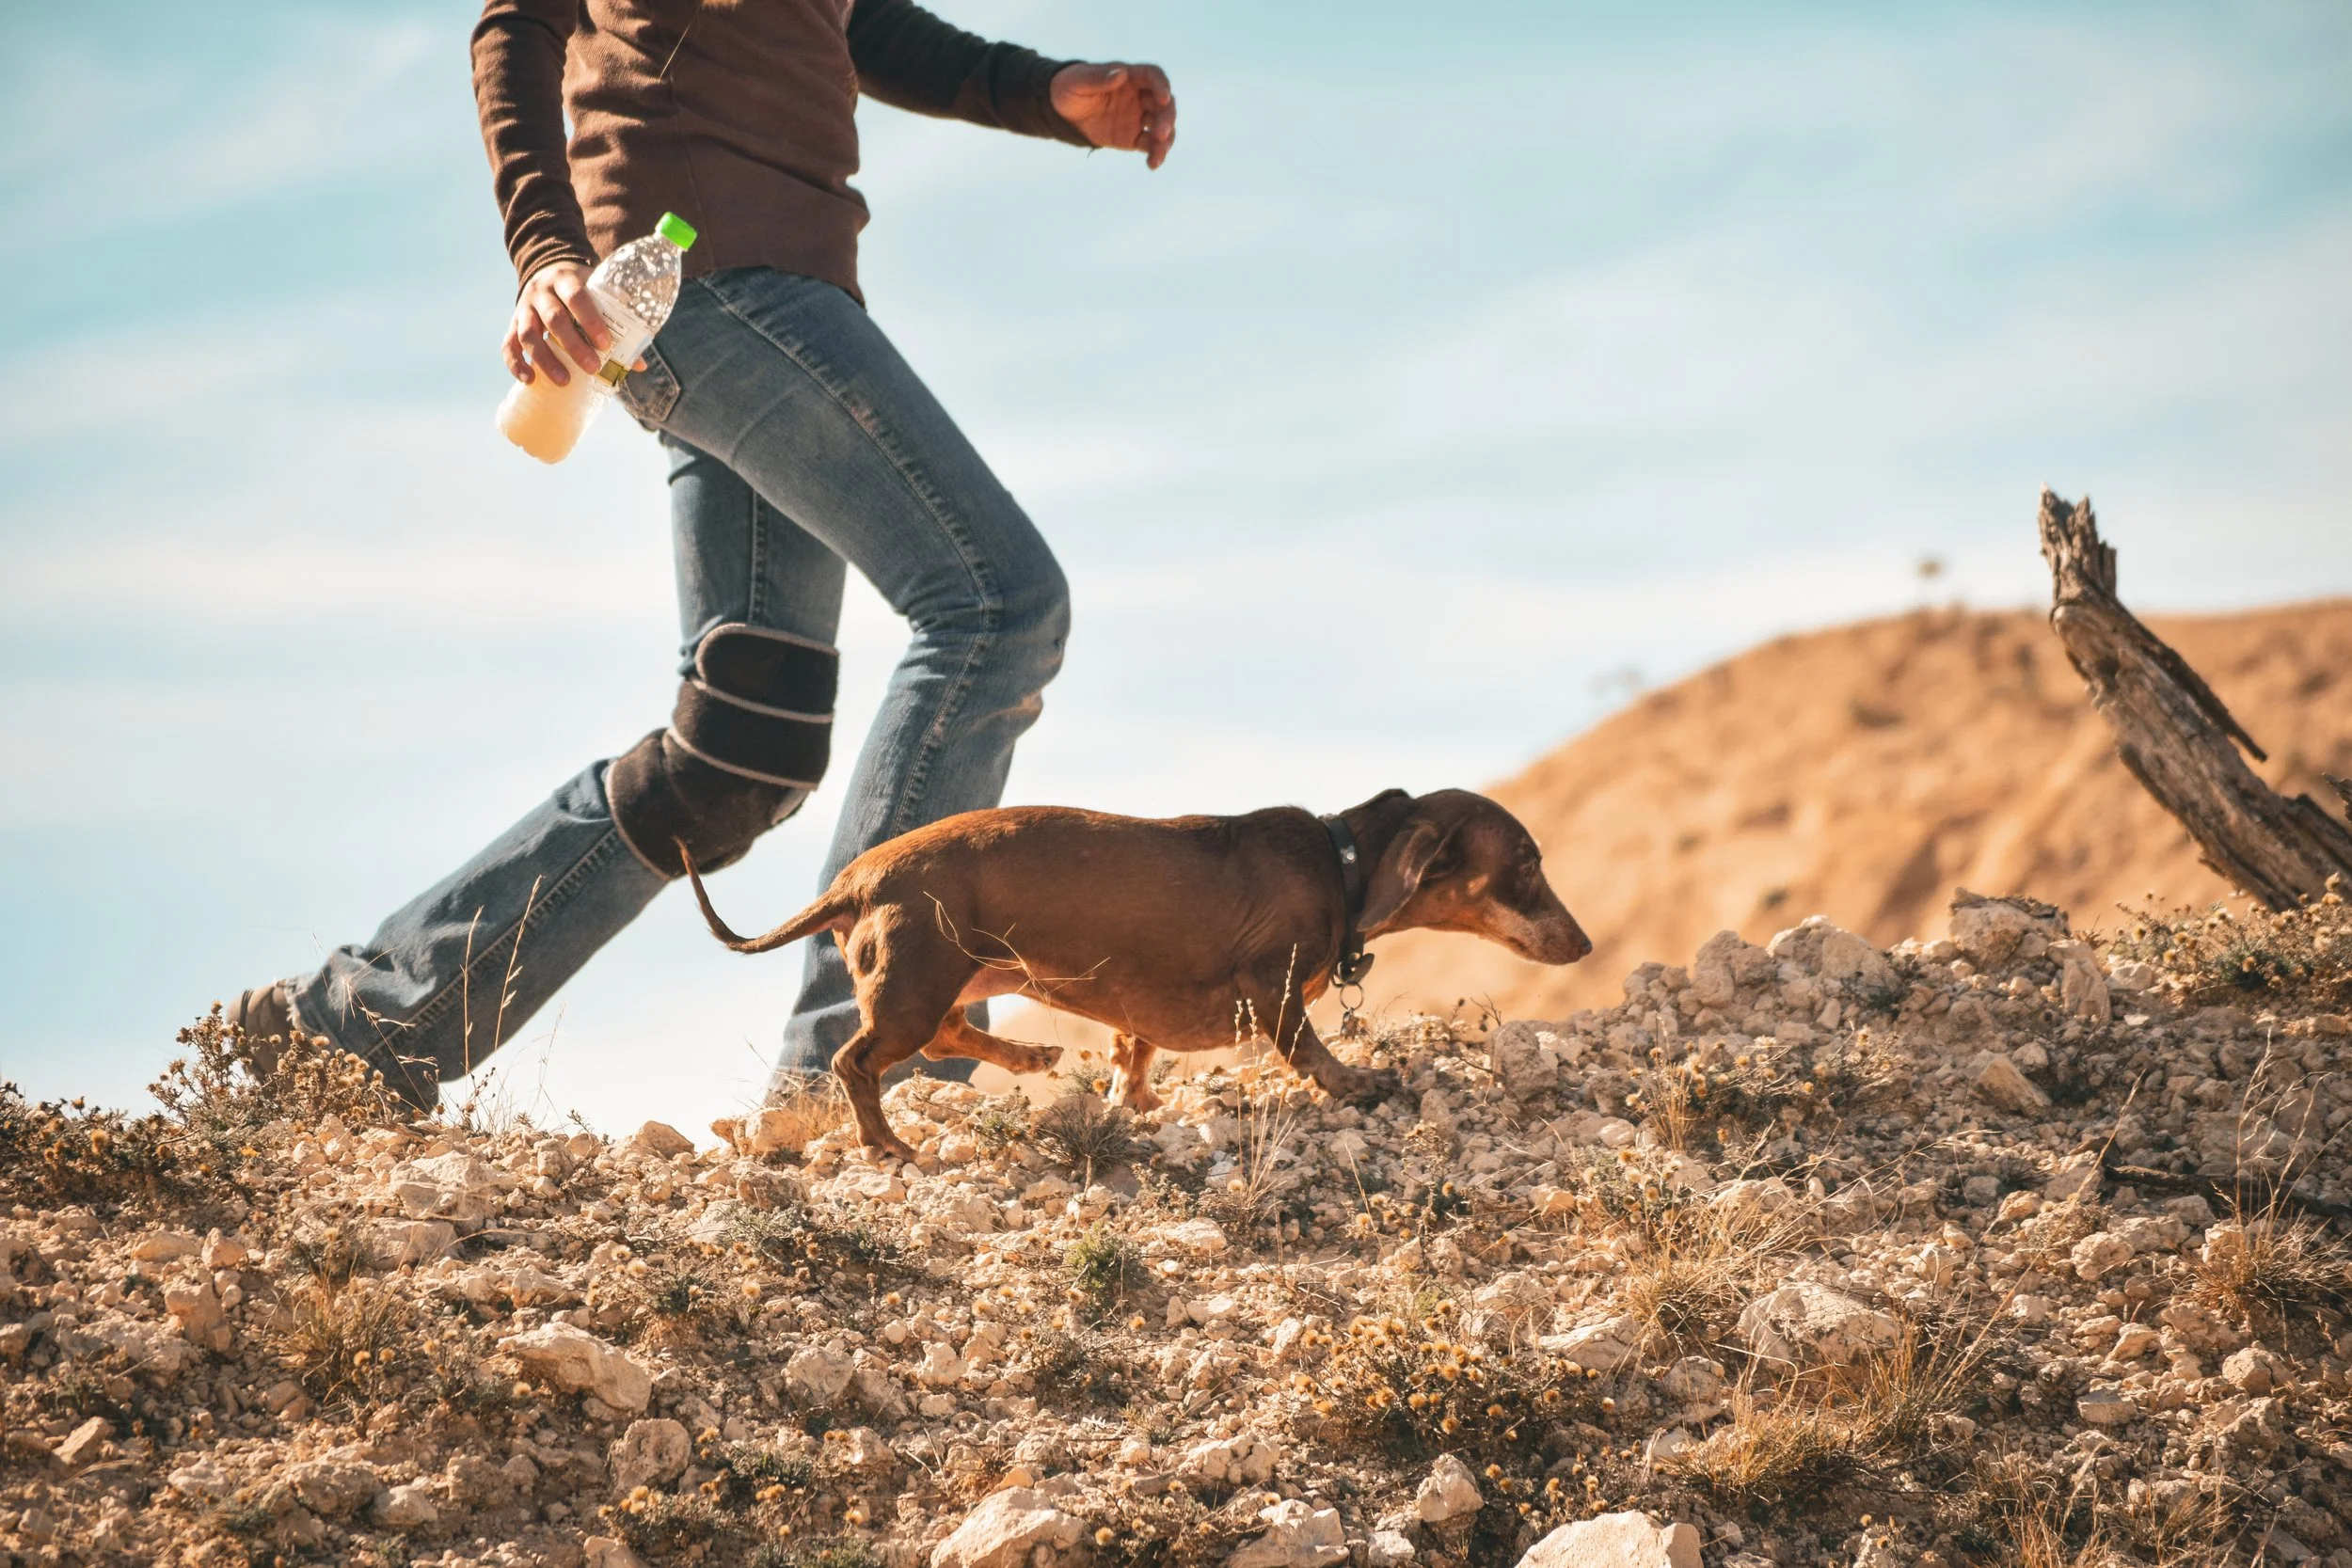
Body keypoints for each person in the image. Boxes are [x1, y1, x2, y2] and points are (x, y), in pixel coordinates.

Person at [228, 0, 1175, 1109]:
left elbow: (855, 24)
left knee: (737, 751)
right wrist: (544, 251)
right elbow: (517, 21)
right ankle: (864, 1065)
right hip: (708, 275)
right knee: (997, 605)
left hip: (762, 294)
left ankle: (362, 1027)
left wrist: (1043, 91)